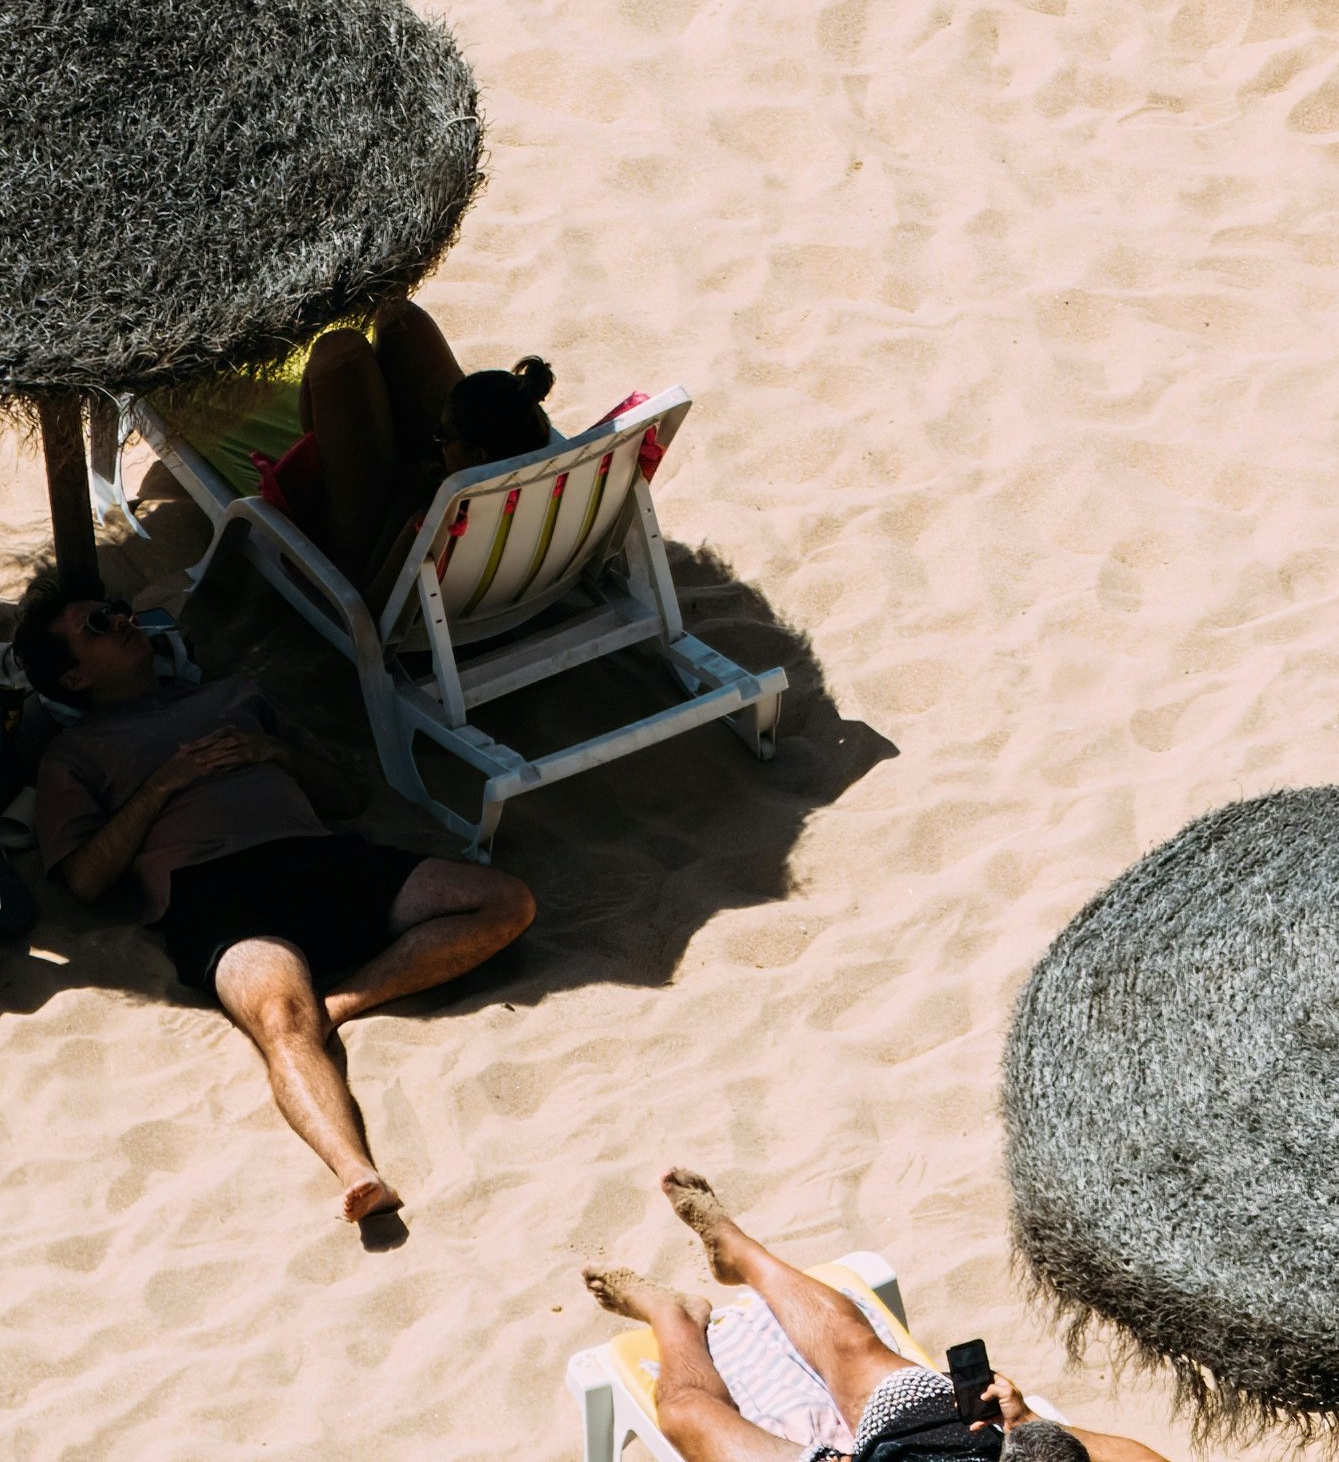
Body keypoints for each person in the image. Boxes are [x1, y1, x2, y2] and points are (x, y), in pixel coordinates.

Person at [18, 561, 536, 1239]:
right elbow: (85, 881)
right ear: (76, 677)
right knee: (278, 1019)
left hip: (314, 855)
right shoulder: (73, 753)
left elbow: (348, 796)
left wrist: (274, 752)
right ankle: (356, 1171)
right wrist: (162, 786)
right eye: (96, 625)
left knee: (505, 902)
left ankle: (342, 1004)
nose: (121, 620)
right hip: (210, 891)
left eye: (115, 607)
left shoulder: (235, 695)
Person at [585, 1169, 1188, 1462]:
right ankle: (739, 1252)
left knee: (688, 1413)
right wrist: (1027, 1421)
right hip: (955, 1436)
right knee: (851, 1345)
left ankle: (674, 1317)